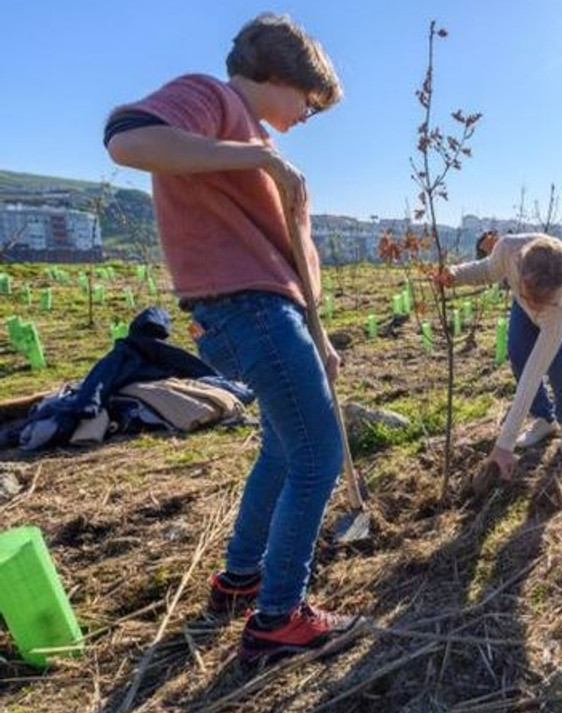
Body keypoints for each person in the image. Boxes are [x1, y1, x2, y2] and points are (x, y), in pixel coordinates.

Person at [104, 13, 359, 666]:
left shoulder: (263, 150)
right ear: (278, 75)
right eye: (308, 101)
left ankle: (240, 577)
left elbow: (291, 264)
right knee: (318, 453)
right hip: (248, 310)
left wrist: (319, 337)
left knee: (281, 447)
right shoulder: (214, 100)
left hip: (274, 314)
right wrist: (258, 156)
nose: (307, 114)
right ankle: (279, 617)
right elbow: (127, 140)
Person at [434, 233, 562, 477]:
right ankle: (545, 419)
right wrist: (455, 275)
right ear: (519, 270)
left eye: (540, 303)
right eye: (530, 298)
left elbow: (534, 374)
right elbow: (488, 270)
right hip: (536, 295)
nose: (535, 308)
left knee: (557, 359)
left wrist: (504, 445)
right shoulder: (508, 250)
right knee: (518, 352)